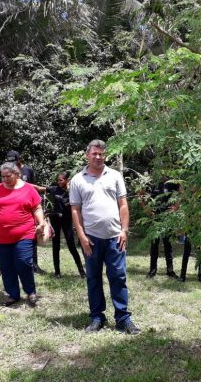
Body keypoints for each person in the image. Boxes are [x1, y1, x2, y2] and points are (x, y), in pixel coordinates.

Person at [70, 139, 140, 334]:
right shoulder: (78, 180)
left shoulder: (115, 176)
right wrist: (82, 236)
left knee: (118, 277)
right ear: (87, 155)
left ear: (106, 155)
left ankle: (122, 318)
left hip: (115, 238)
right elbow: (75, 210)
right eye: (94, 153)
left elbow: (123, 204)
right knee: (93, 278)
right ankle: (97, 317)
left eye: (101, 154)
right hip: (91, 239)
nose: (98, 157)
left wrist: (124, 230)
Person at [0, 162, 44, 307]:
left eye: (8, 176)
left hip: (24, 233)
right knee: (6, 267)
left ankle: (30, 291)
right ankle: (13, 294)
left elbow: (37, 208)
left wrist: (41, 222)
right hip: (1, 236)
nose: (5, 179)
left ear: (16, 174)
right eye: (2, 176)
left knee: (23, 262)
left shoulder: (28, 189)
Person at [33, 172, 86, 279]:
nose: (59, 182)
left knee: (71, 246)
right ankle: (57, 272)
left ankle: (82, 272)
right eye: (58, 180)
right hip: (56, 219)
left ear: (67, 180)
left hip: (67, 220)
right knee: (56, 246)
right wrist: (22, 183)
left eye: (61, 180)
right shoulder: (54, 189)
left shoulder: (73, 191)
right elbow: (38, 188)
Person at [5, 150, 45, 274]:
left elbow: (34, 189)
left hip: (28, 208)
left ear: (19, 159)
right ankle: (10, 264)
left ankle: (34, 264)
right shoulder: (7, 171)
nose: (12, 164)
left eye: (14, 161)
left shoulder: (28, 170)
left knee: (32, 235)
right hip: (13, 208)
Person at [142, 177, 180, 279]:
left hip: (167, 218)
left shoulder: (172, 182)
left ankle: (170, 271)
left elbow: (182, 192)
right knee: (154, 244)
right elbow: (139, 194)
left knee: (168, 244)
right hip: (155, 218)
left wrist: (176, 207)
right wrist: (146, 208)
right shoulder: (150, 181)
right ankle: (152, 270)